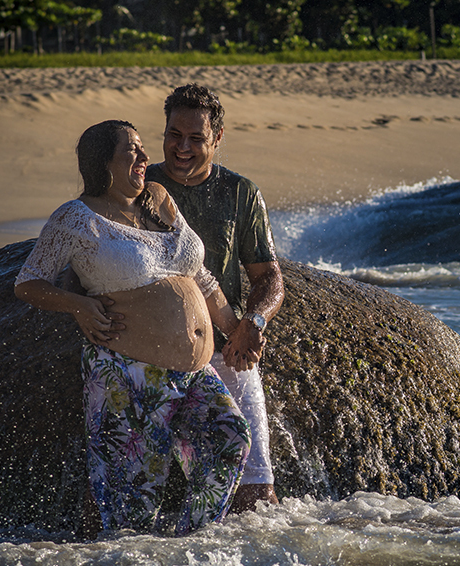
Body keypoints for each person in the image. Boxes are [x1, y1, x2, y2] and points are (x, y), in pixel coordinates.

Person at [14, 119, 251, 536]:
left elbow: (200, 275)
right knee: (136, 498)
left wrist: (235, 328)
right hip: (127, 373)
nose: (145, 157)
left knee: (230, 438)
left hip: (194, 372)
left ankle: (191, 545)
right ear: (104, 161)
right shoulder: (75, 218)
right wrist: (79, 306)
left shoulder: (158, 199)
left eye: (142, 148)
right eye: (132, 149)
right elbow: (29, 282)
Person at [147, 83, 284, 513]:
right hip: (150, 351)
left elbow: (269, 278)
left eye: (196, 138)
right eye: (174, 135)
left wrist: (254, 323)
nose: (182, 148)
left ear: (217, 138)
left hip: (226, 350)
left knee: (257, 490)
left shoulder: (241, 193)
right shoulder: (140, 184)